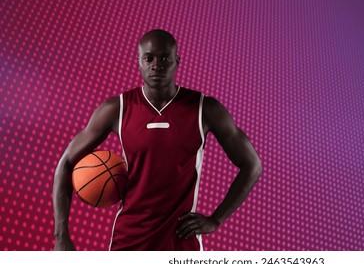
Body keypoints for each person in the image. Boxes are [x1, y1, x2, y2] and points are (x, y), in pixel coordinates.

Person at [52, 29, 262, 250]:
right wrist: (61, 235)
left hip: (181, 243)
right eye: (149, 58)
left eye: (165, 58)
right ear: (139, 62)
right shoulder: (117, 108)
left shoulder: (205, 109)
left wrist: (216, 219)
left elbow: (253, 166)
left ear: (177, 61)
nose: (156, 65)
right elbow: (66, 163)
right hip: (129, 241)